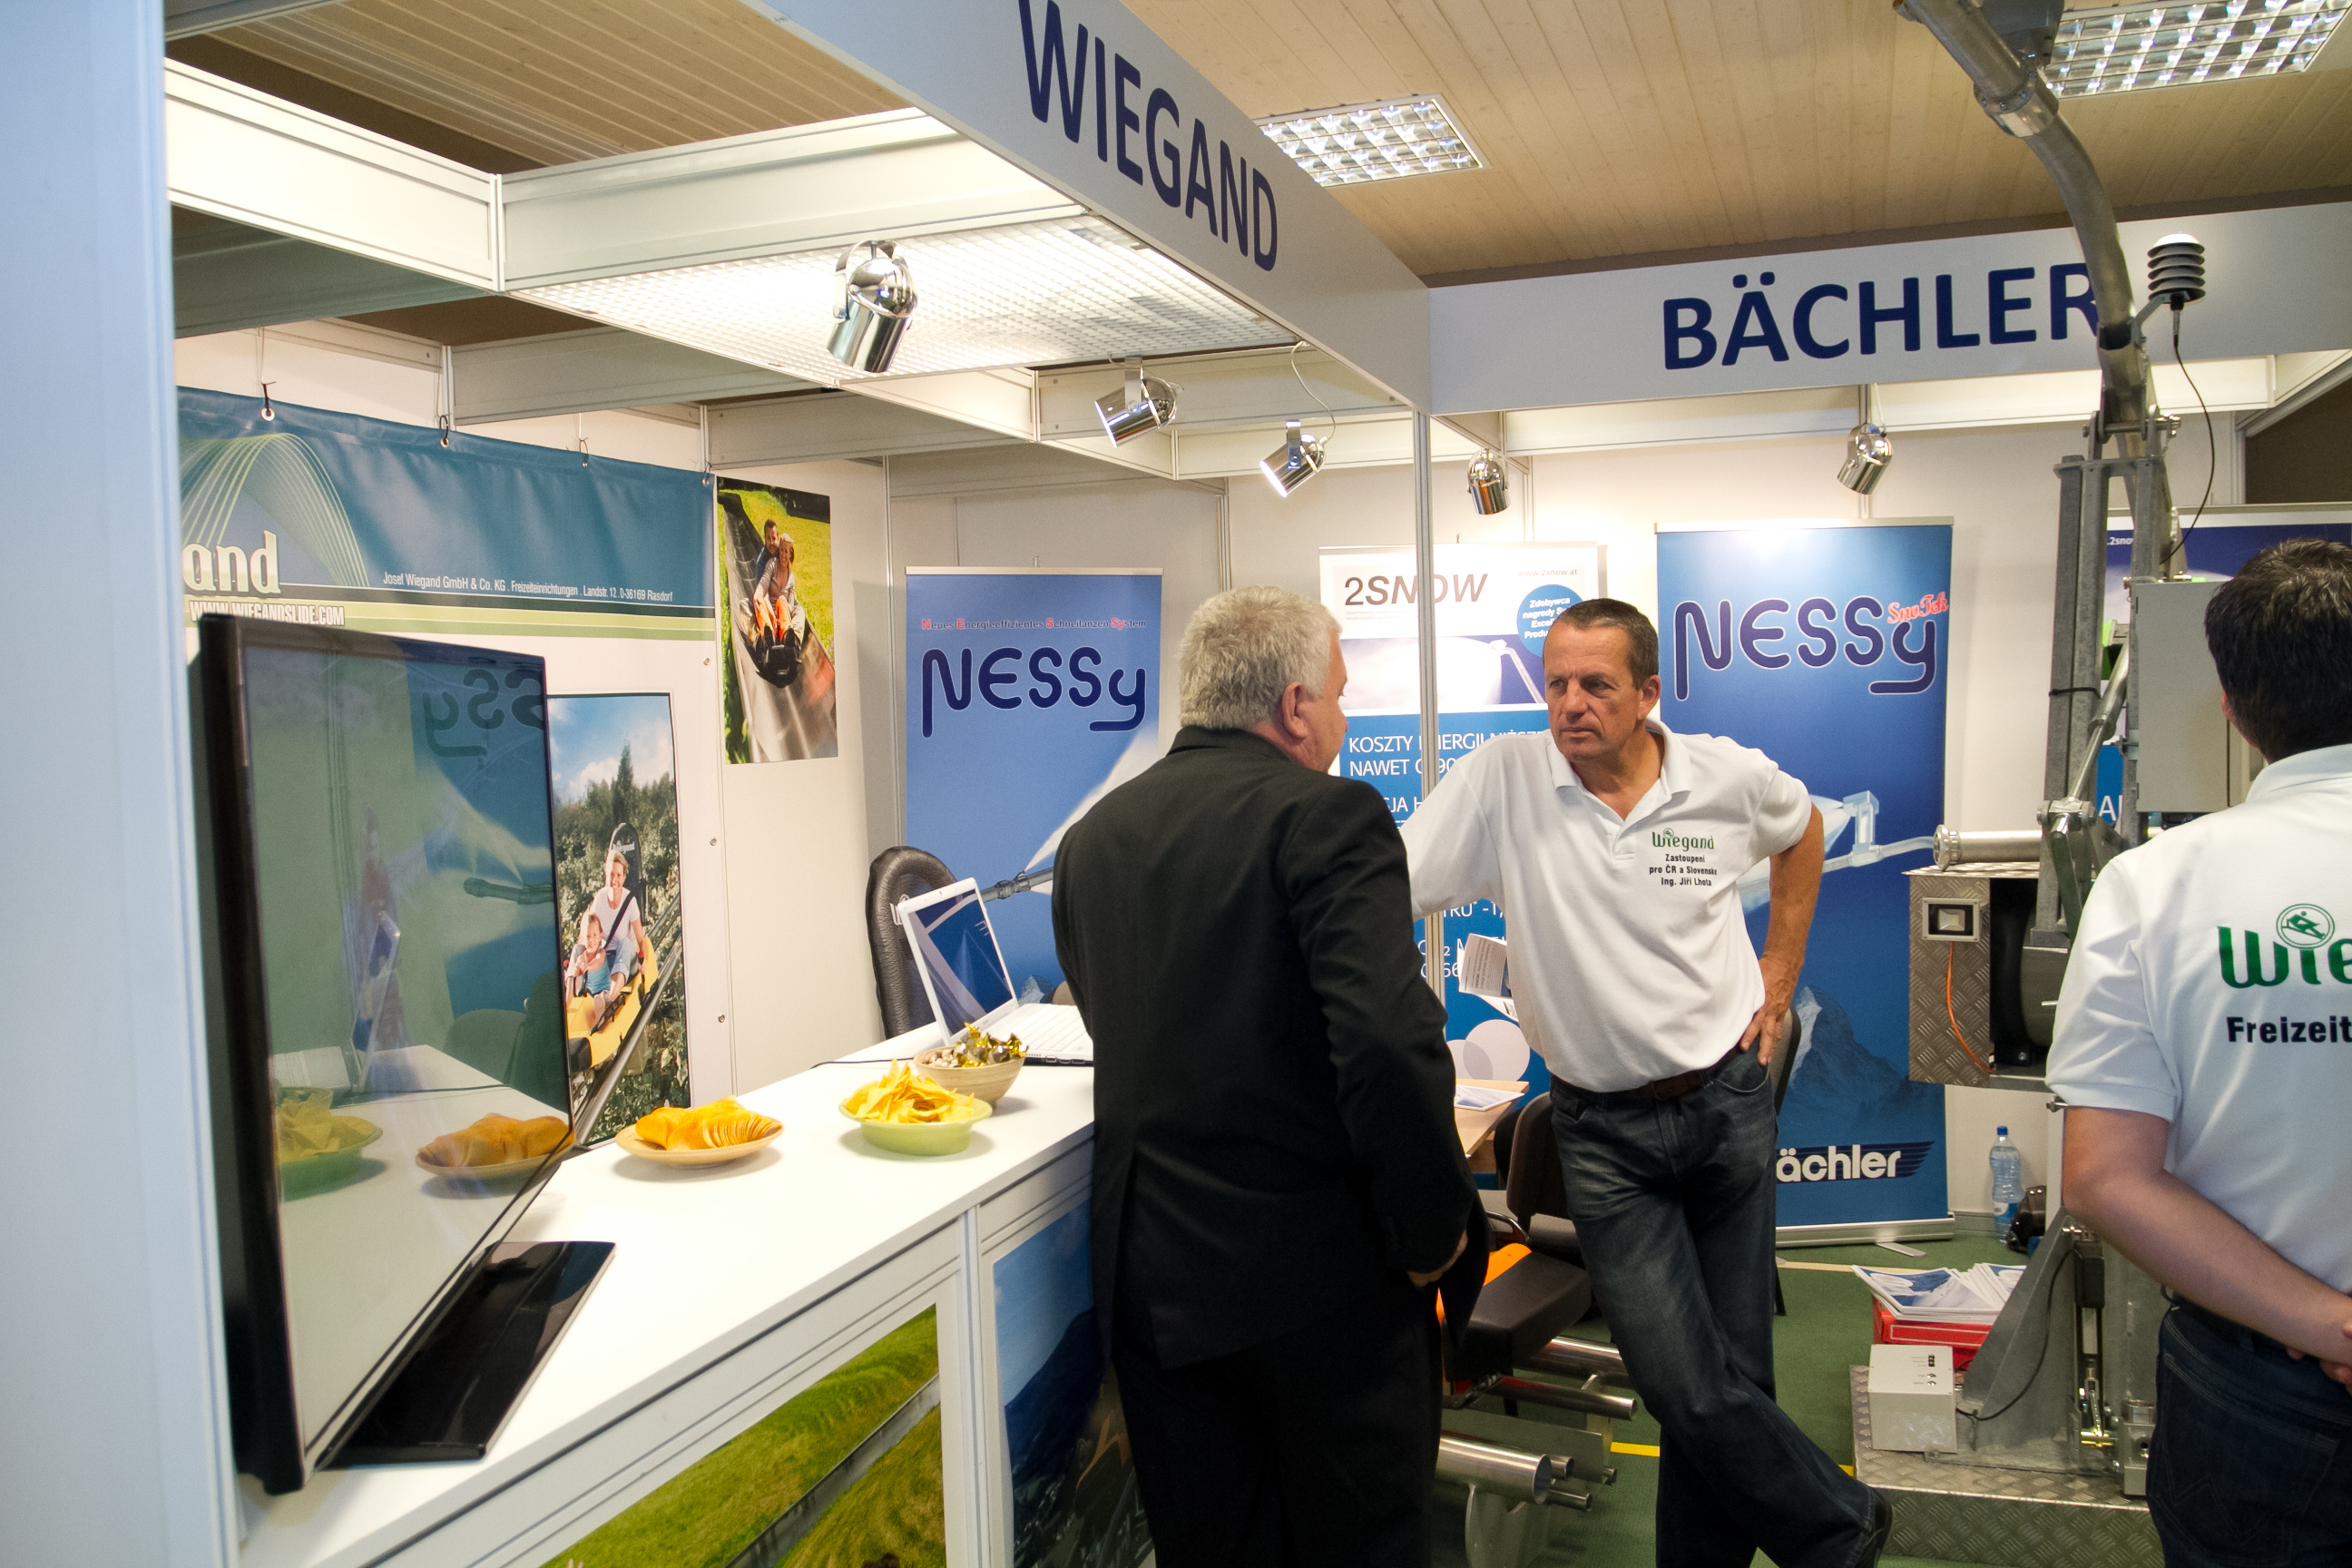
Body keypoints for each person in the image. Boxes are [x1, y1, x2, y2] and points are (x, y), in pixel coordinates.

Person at [1402, 598, 1890, 1568]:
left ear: (1649, 693)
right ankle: (1841, 1528)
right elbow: (1394, 879)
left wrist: (1780, 974)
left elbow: (1804, 829)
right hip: (1603, 1135)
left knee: (1736, 1374)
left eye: (1596, 685)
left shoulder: (1722, 774)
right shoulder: (1504, 780)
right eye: (1556, 684)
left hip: (1727, 1105)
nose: (1570, 704)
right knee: (1680, 1382)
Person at [1052, 584, 1484, 1568]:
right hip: (1320, 1291)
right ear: (1294, 706)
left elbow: (1117, 1027)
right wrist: (1431, 1235)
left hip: (1155, 1288)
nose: (1342, 719)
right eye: (1339, 695)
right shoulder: (1330, 816)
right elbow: (1385, 1043)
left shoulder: (1092, 841)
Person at [2049, 538, 2352, 1565]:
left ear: (2230, 707)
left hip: (2264, 1397)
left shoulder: (2154, 887)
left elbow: (2105, 1179)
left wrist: (2331, 1324)